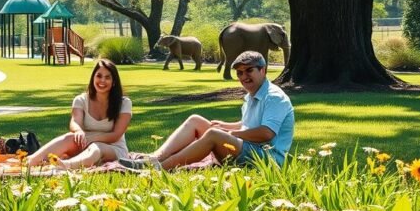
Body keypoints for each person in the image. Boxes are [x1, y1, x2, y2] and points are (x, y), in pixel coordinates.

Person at [122, 51, 294, 171]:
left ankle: (160, 168)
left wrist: (228, 133)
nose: (243, 77)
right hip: (246, 148)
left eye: (249, 70)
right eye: (240, 73)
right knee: (196, 120)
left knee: (213, 134)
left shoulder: (273, 97)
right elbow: (248, 124)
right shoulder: (252, 94)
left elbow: (266, 133)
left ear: (262, 70)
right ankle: (155, 157)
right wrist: (225, 125)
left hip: (264, 159)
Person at [26, 58, 133, 170]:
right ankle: (31, 160)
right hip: (86, 143)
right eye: (99, 76)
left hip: (114, 148)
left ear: (114, 81)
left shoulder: (124, 103)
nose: (102, 81)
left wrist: (92, 139)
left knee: (96, 147)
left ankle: (66, 165)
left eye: (107, 77)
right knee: (69, 137)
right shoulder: (81, 100)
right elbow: (75, 122)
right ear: (93, 78)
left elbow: (116, 135)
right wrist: (79, 131)